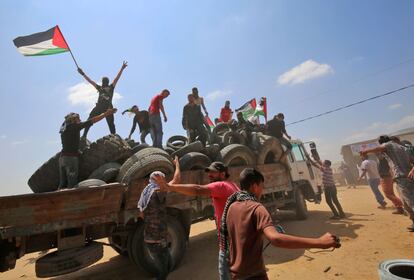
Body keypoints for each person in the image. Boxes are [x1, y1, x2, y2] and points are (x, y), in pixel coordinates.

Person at [220, 168, 340, 279]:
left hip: (235, 274)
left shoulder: (231, 207)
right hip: (254, 275)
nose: (262, 191)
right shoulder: (257, 208)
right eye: (262, 186)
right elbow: (276, 239)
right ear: (255, 186)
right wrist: (320, 242)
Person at [155, 161, 239, 280]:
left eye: (213, 172)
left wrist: (169, 187)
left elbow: (198, 189)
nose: (209, 175)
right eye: (208, 172)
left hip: (228, 243)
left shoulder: (220, 186)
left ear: (223, 173)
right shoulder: (233, 185)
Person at [137, 158, 181, 280]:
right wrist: (177, 164)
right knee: (164, 272)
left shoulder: (146, 192)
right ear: (160, 180)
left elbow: (141, 215)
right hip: (157, 241)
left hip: (152, 239)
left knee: (169, 265)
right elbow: (176, 180)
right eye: (163, 179)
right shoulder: (158, 192)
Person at [361, 135, 414, 232]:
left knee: (410, 202)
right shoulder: (402, 148)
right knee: (406, 203)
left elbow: (379, 148)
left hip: (403, 178)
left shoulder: (389, 145)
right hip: (402, 178)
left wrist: (366, 151)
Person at [58, 108, 117, 189]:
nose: (80, 120)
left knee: (62, 184)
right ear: (73, 120)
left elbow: (70, 143)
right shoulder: (74, 127)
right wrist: (106, 114)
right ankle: (70, 200)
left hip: (62, 159)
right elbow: (92, 120)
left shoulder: (64, 129)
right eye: (78, 118)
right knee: (72, 184)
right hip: (71, 159)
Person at [77, 61, 127, 139]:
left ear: (105, 82)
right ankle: (84, 135)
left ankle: (114, 136)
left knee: (110, 123)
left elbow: (116, 78)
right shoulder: (103, 88)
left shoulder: (109, 87)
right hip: (101, 107)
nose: (104, 82)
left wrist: (122, 68)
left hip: (107, 108)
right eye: (104, 81)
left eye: (104, 81)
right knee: (90, 119)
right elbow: (91, 81)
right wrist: (82, 73)